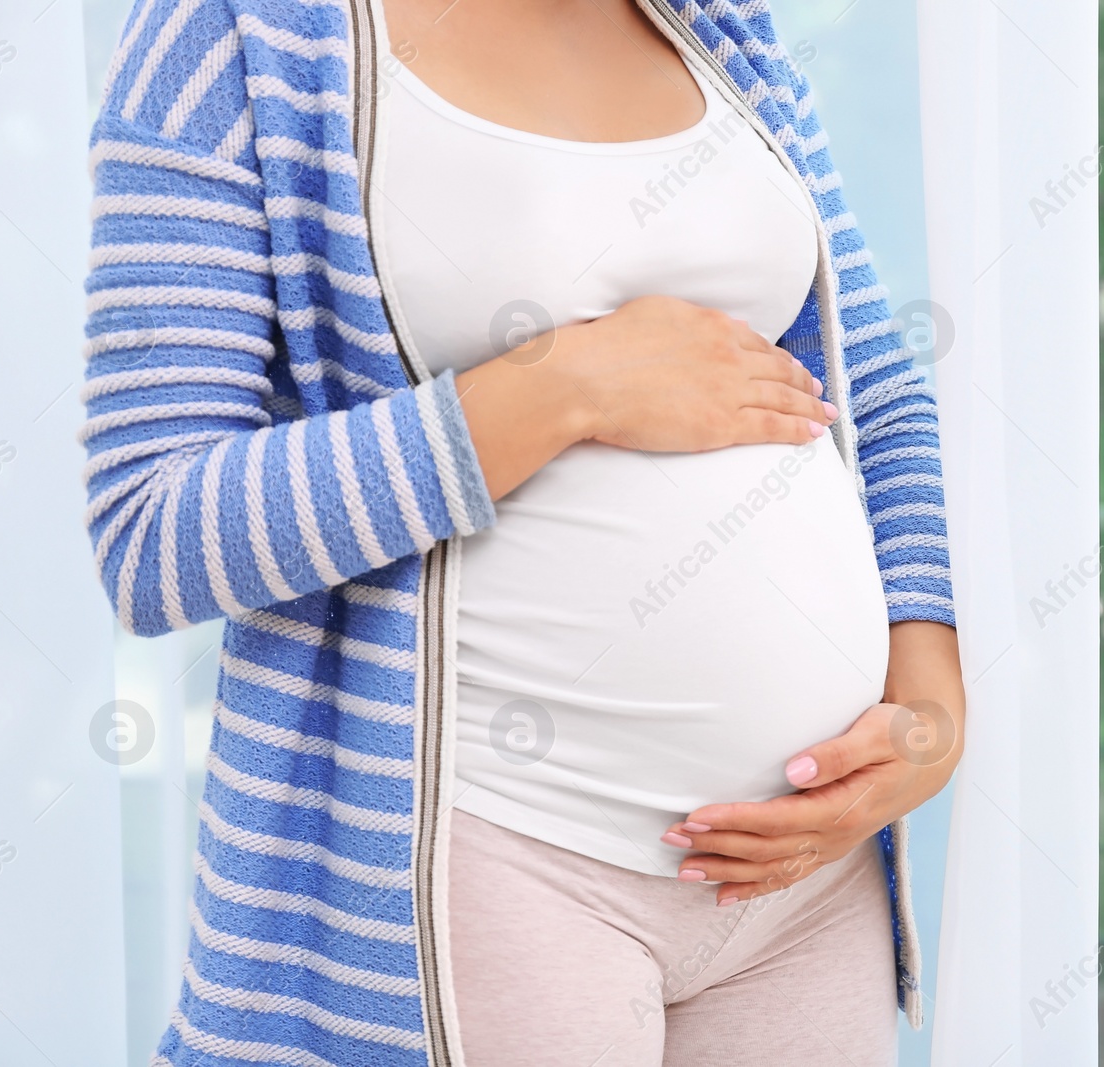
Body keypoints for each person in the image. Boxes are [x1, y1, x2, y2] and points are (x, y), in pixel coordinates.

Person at [81, 0, 963, 1063]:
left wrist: (928, 708)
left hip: (806, 877)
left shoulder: (720, 24)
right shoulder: (239, 37)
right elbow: (155, 531)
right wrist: (560, 388)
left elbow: (875, 395)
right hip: (499, 859)